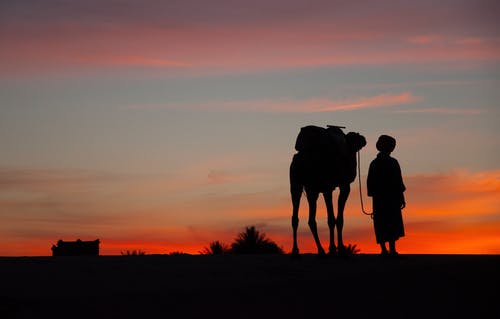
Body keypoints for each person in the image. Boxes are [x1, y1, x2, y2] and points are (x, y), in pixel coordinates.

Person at [367, 135, 406, 256]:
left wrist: (373, 194)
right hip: (390, 198)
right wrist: (401, 197)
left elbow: (370, 182)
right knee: (391, 222)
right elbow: (398, 181)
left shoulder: (374, 163)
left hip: (380, 198)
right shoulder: (392, 162)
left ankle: (385, 250)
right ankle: (391, 250)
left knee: (382, 223)